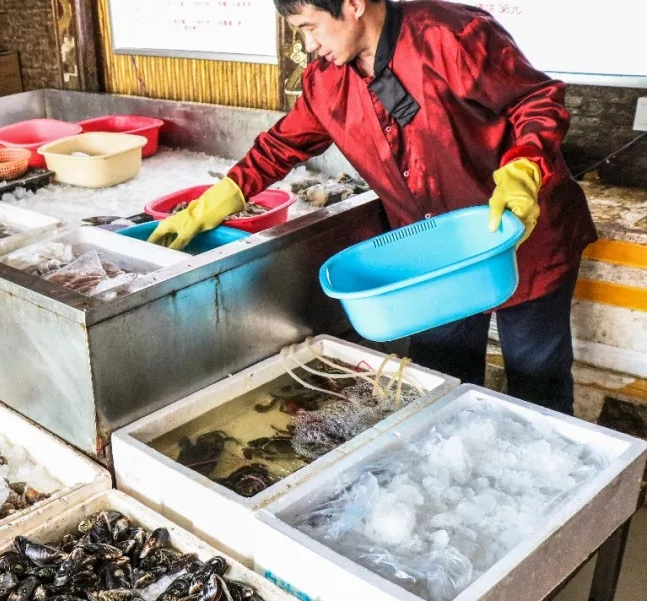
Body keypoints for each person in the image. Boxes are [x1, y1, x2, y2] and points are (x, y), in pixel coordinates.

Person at [149, 0, 595, 415]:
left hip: (522, 236)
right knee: (441, 381)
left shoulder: (450, 36)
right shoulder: (326, 80)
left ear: (354, 5)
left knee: (537, 377)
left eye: (309, 28)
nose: (309, 45)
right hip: (434, 256)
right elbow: (280, 146)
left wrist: (524, 169)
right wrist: (210, 206)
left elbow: (535, 100)